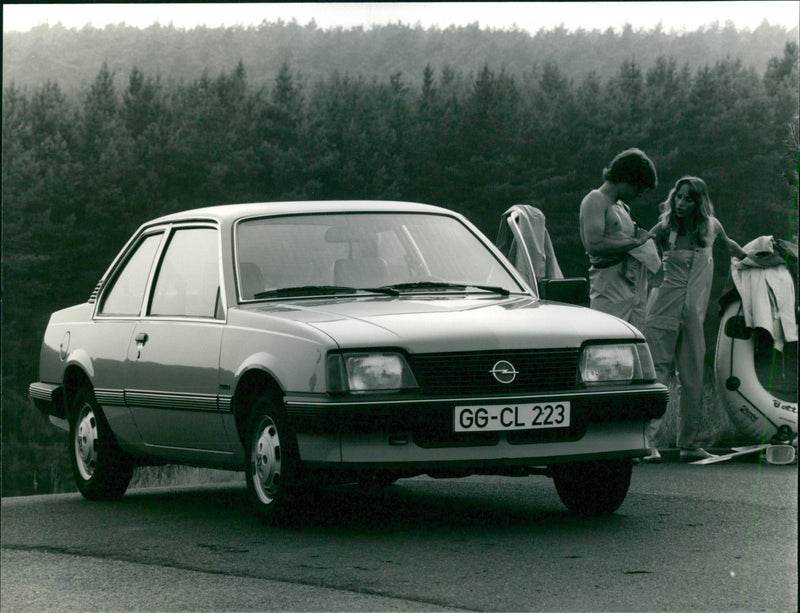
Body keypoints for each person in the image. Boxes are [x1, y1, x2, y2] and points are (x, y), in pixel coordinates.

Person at [642, 176, 747, 462]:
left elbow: (732, 248)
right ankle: (645, 443)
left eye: (688, 198)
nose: (681, 203)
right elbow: (640, 246)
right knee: (657, 375)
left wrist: (758, 256)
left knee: (693, 379)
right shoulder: (666, 228)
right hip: (662, 309)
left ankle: (688, 444)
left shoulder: (712, 228)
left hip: (693, 316)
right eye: (678, 197)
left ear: (698, 201)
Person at [579, 148, 659, 329]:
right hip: (609, 286)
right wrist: (635, 242)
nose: (638, 195)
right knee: (607, 336)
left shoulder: (622, 207)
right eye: (639, 189)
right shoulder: (595, 199)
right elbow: (594, 244)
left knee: (634, 339)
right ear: (628, 179)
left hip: (632, 284)